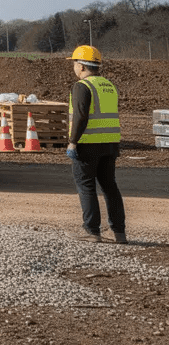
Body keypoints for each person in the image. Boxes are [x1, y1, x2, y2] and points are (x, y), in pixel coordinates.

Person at [66, 45, 126, 243]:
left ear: (82, 66)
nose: (74, 67)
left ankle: (92, 231)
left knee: (86, 186)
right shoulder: (109, 86)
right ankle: (119, 233)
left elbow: (81, 116)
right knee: (110, 186)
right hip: (110, 144)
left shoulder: (82, 86)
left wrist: (73, 142)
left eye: (75, 63)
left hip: (88, 144)